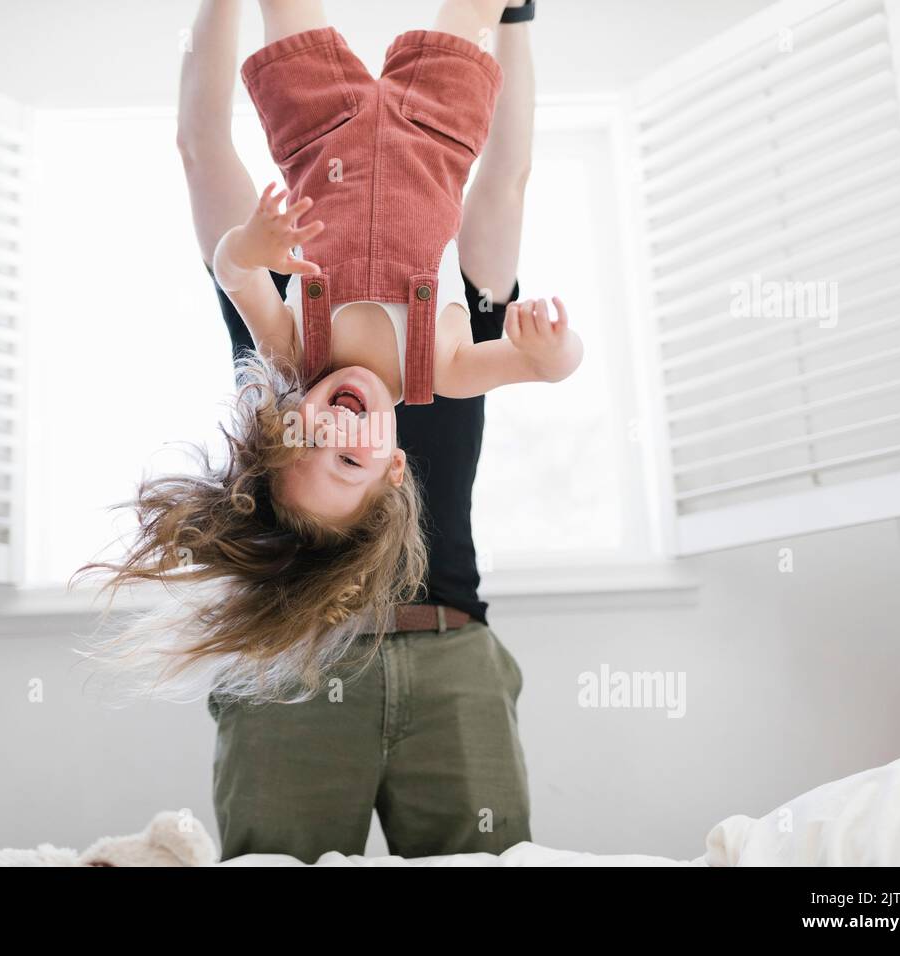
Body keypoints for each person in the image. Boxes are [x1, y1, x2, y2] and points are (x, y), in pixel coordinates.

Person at [175, 0, 544, 861]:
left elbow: (505, 177)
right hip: (296, 661)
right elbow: (202, 150)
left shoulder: (293, 352)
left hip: (449, 656)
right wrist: (514, 21)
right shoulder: (278, 319)